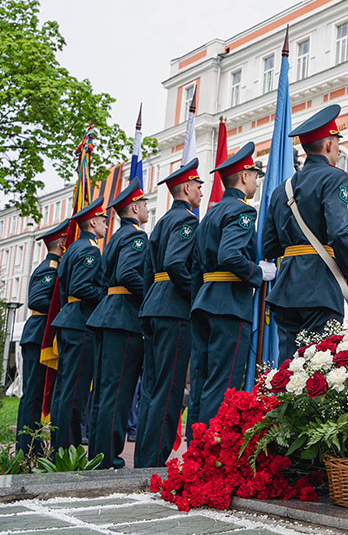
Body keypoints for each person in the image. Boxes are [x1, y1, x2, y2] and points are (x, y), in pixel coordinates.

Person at [188, 142, 276, 436]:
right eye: (253, 175)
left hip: (204, 301)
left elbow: (196, 264)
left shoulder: (210, 214)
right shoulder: (242, 212)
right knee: (223, 383)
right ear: (243, 176)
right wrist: (257, 272)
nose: (255, 181)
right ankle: (209, 453)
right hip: (229, 304)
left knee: (201, 380)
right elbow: (230, 255)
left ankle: (195, 447)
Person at [262, 105, 348, 360]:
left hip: (286, 291)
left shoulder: (281, 190)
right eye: (337, 143)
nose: (338, 149)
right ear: (329, 144)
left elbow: (269, 246)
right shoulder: (334, 178)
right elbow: (339, 232)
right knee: (319, 371)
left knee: (287, 371)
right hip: (321, 288)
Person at [135, 159, 202, 468]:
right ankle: (154, 461)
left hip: (154, 305)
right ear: (187, 188)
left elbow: (149, 268)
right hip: (174, 309)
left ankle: (144, 457)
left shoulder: (162, 221)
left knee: (152, 387)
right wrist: (194, 294)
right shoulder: (187, 220)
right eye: (199, 186)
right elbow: (176, 263)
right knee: (169, 388)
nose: (201, 192)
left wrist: (152, 298)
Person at [86, 181, 149, 469]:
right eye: (145, 204)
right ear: (134, 208)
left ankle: (98, 453)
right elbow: (127, 274)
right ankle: (109, 455)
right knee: (119, 391)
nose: (147, 208)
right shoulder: (136, 237)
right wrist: (150, 296)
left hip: (107, 314)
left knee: (104, 389)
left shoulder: (113, 238)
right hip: (124, 319)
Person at [50, 198, 107, 452]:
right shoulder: (90, 250)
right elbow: (81, 287)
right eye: (104, 220)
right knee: (76, 391)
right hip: (81, 323)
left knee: (64, 389)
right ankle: (68, 449)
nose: (106, 224)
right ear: (93, 222)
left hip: (69, 318)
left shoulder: (72, 248)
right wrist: (106, 295)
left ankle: (59, 445)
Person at [15, 220, 69, 455]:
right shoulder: (49, 268)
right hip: (37, 335)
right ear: (61, 242)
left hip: (38, 334)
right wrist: (61, 306)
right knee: (33, 394)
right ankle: (26, 445)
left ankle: (31, 443)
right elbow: (37, 300)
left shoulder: (51, 266)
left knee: (35, 394)